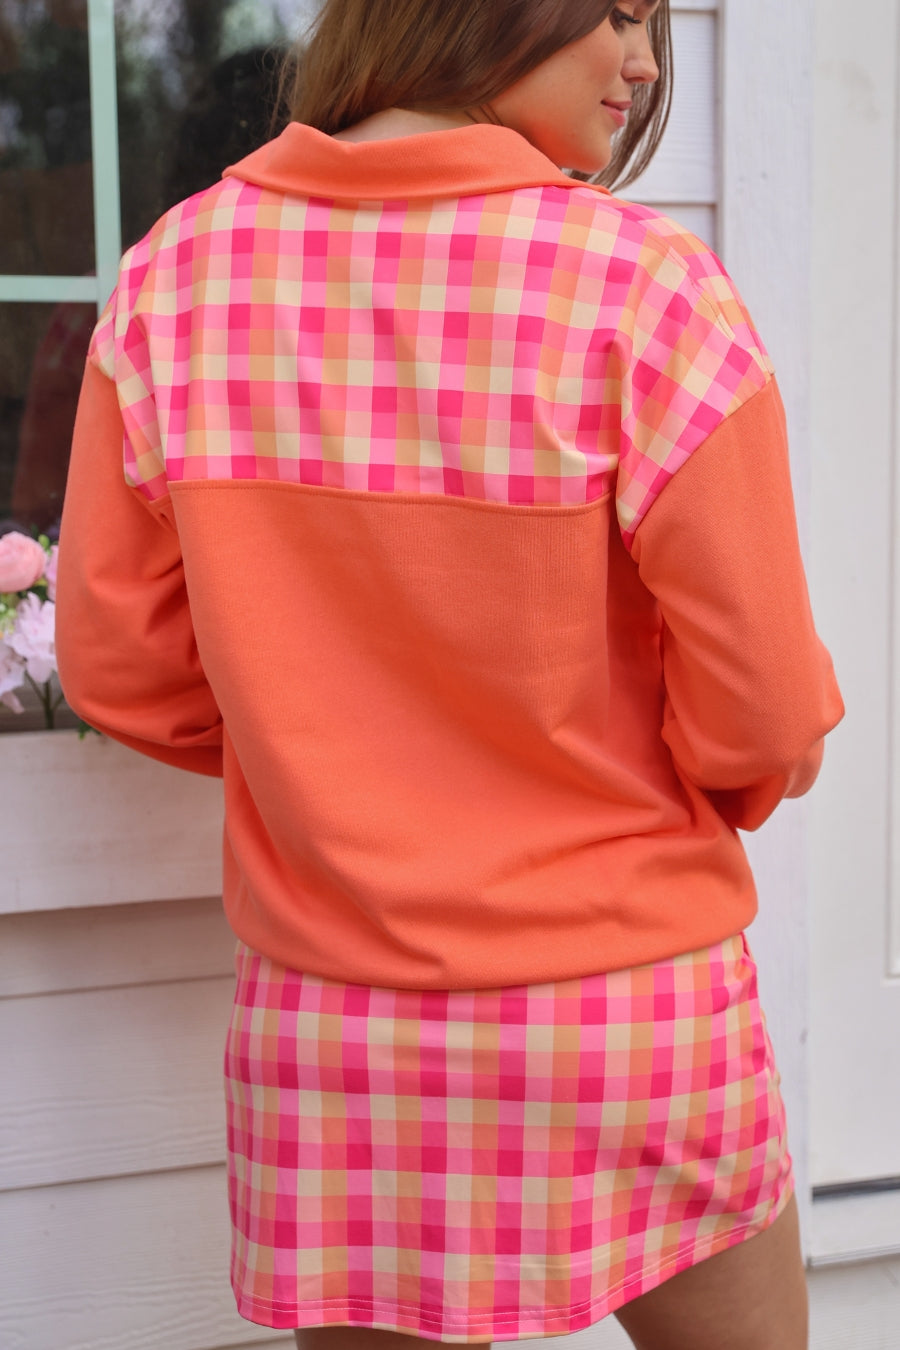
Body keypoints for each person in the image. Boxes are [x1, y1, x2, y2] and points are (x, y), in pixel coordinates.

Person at [56, 2, 844, 1348]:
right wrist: (710, 785)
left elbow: (119, 668)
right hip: (628, 1005)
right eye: (620, 14)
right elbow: (762, 715)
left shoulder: (173, 280)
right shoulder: (644, 289)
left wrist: (318, 750)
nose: (645, 62)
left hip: (338, 1032)